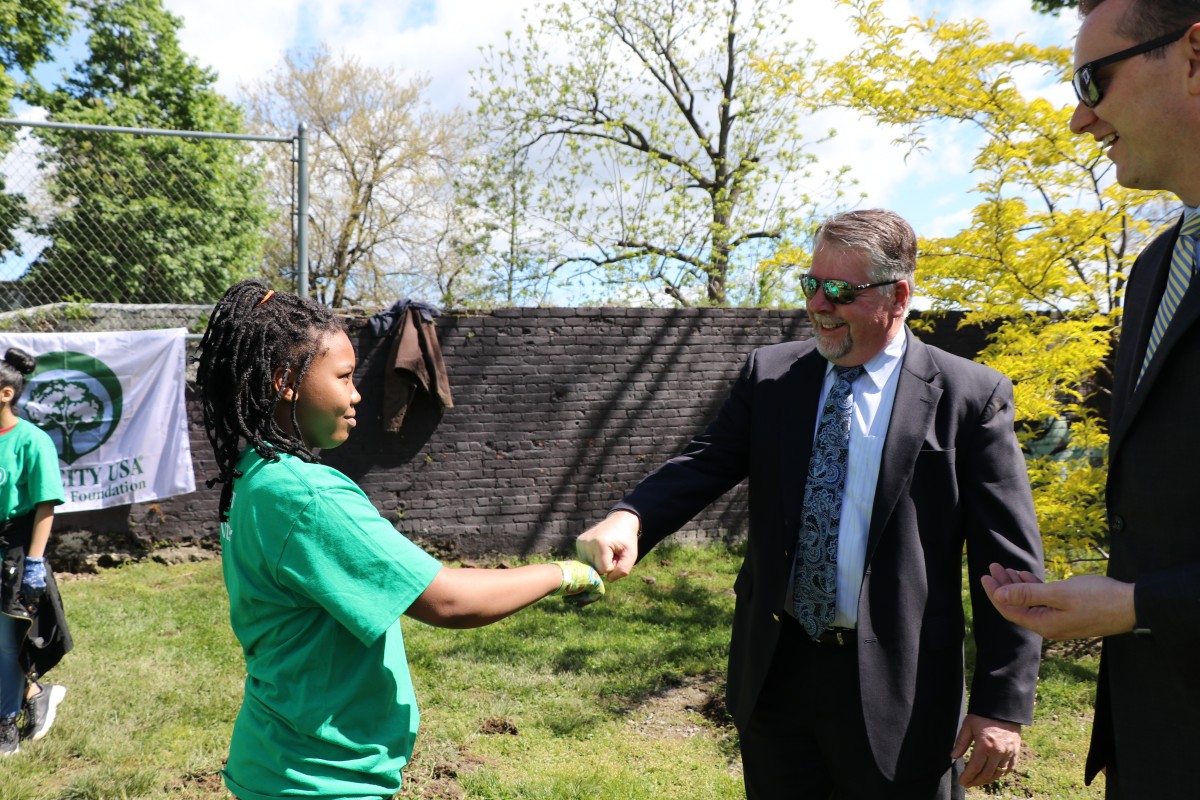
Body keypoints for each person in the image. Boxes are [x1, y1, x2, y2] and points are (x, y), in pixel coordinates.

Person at [577, 209, 1045, 800]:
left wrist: (1002, 702)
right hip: (777, 677)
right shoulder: (772, 375)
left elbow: (1007, 559)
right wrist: (632, 517)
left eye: (841, 291)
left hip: (903, 693)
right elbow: (705, 461)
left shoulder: (968, 396)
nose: (819, 304)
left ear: (898, 295)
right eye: (812, 284)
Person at [196, 280, 605, 800]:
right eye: (344, 377)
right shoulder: (306, 495)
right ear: (285, 381)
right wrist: (561, 573)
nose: (356, 394)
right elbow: (448, 601)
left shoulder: (253, 476)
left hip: (276, 758)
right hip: (323, 778)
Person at [982, 1, 1200, 797]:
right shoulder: (1153, 271)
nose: (1079, 119)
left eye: (1091, 81)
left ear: (1193, 54)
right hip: (1157, 743)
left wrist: (1140, 603)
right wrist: (1121, 606)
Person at [0, 347, 69, 756]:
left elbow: (45, 505)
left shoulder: (32, 441)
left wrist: (35, 563)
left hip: (16, 551)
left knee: (8, 642)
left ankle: (6, 725)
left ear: (5, 394)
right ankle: (33, 693)